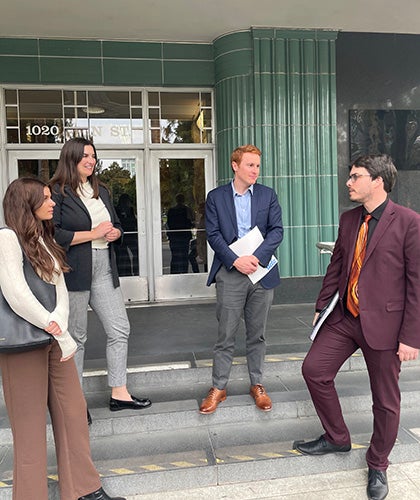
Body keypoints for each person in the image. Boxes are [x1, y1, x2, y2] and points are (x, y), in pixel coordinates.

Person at [295, 154, 420, 500]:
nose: (348, 182)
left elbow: (417, 283)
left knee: (385, 400)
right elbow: (337, 266)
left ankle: (378, 463)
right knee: (314, 370)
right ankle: (337, 437)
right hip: (345, 319)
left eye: (355, 176)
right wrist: (323, 309)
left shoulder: (409, 222)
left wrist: (411, 337)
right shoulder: (349, 219)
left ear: (377, 181)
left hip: (386, 325)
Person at [0, 177, 124, 500]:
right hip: (23, 343)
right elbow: (15, 292)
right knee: (28, 431)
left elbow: (59, 286)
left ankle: (84, 489)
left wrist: (61, 325)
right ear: (25, 204)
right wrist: (48, 321)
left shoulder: (42, 237)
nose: (52, 202)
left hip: (55, 338)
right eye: (44, 198)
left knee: (73, 412)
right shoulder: (7, 239)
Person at [50, 137, 151, 416]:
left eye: (93, 156)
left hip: (104, 266)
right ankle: (74, 403)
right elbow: (53, 234)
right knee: (76, 338)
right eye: (85, 155)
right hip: (74, 270)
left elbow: (117, 224)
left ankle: (119, 393)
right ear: (70, 158)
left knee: (120, 329)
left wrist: (115, 233)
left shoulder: (101, 190)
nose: (91, 160)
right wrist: (93, 234)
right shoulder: (56, 192)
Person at [199, 144, 283, 414]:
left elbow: (276, 231)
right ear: (235, 166)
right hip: (231, 272)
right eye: (250, 165)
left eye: (258, 165)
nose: (255, 170)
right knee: (226, 334)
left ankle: (257, 384)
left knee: (257, 335)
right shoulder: (216, 197)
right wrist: (236, 260)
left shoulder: (268, 196)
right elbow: (213, 235)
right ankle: (218, 387)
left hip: (260, 271)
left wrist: (256, 257)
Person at [166, 193, 194, 274]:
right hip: (184, 236)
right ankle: (184, 273)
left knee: (175, 256)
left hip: (174, 236)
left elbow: (169, 223)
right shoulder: (187, 210)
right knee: (184, 255)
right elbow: (191, 221)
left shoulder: (171, 211)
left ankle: (174, 273)